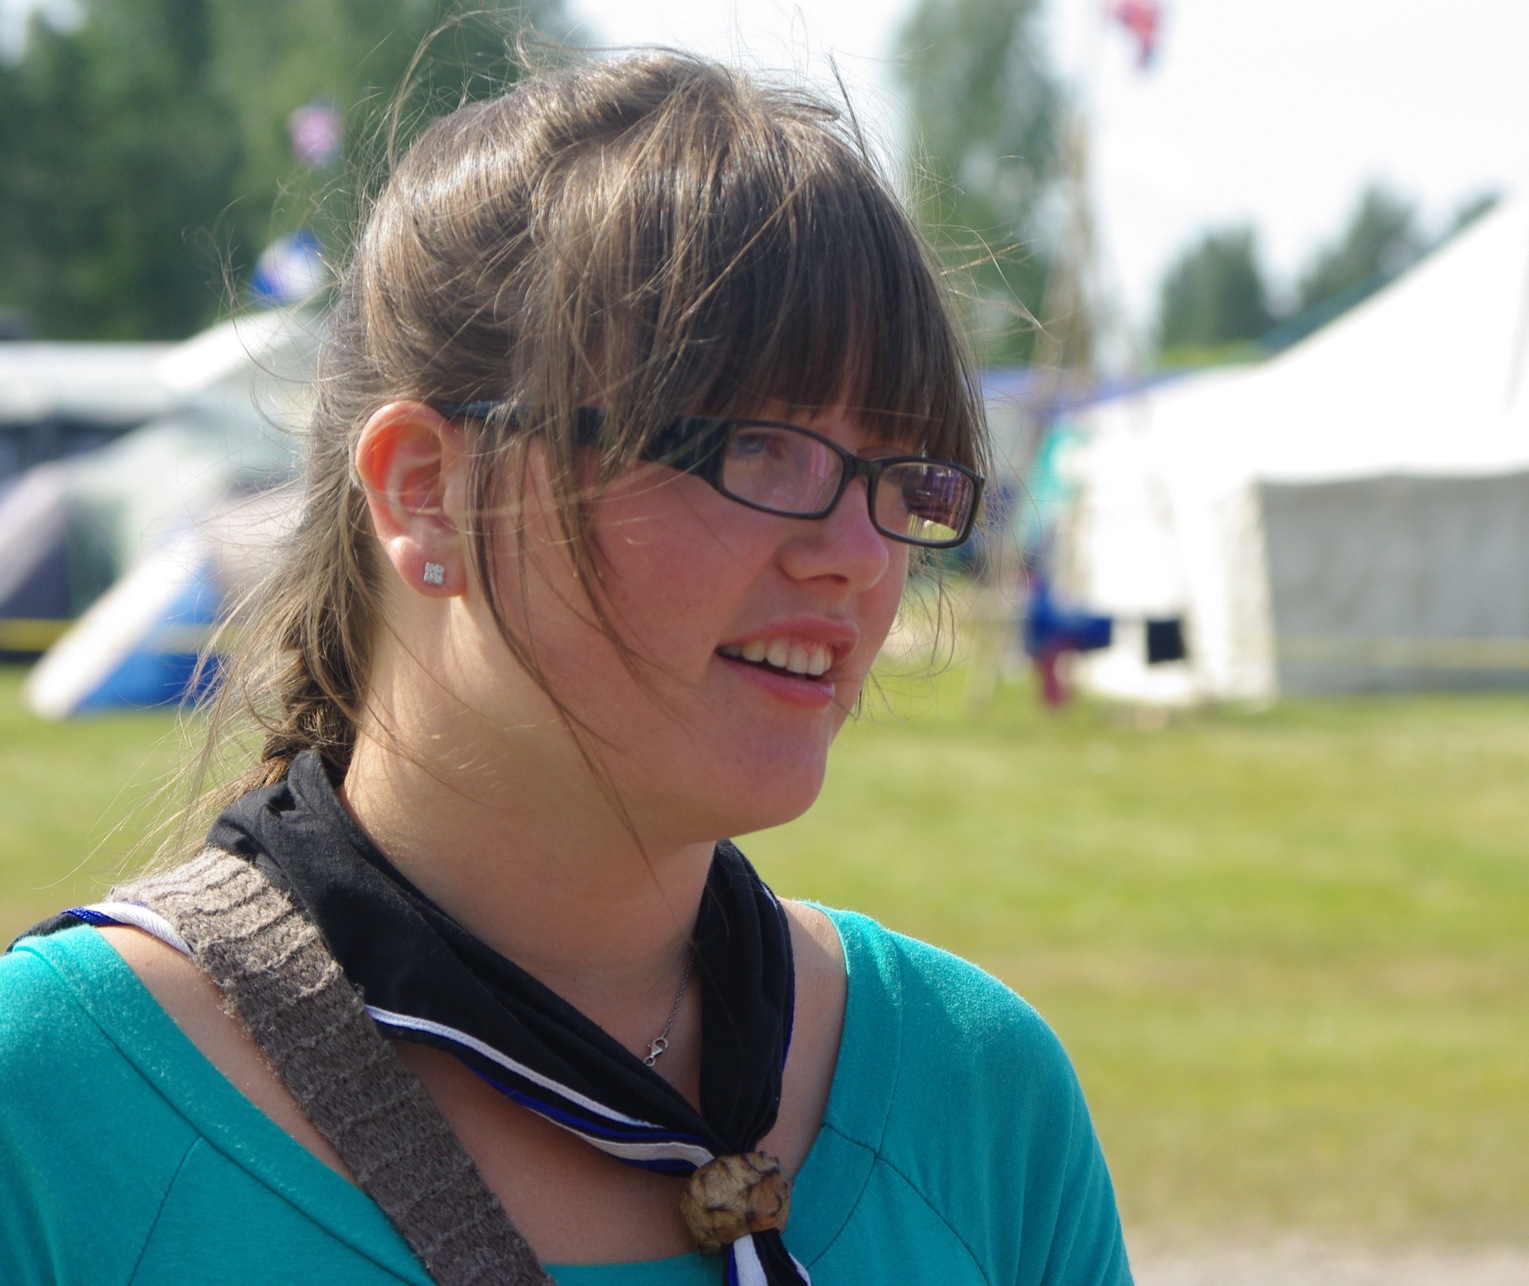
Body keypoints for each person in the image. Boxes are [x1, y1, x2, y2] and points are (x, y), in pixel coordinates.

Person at [0, 51, 1131, 1285]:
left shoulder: (978, 1097)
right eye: (757, 445)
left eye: (901, 474)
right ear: (426, 492)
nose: (860, 556)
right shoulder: (53, 1111)